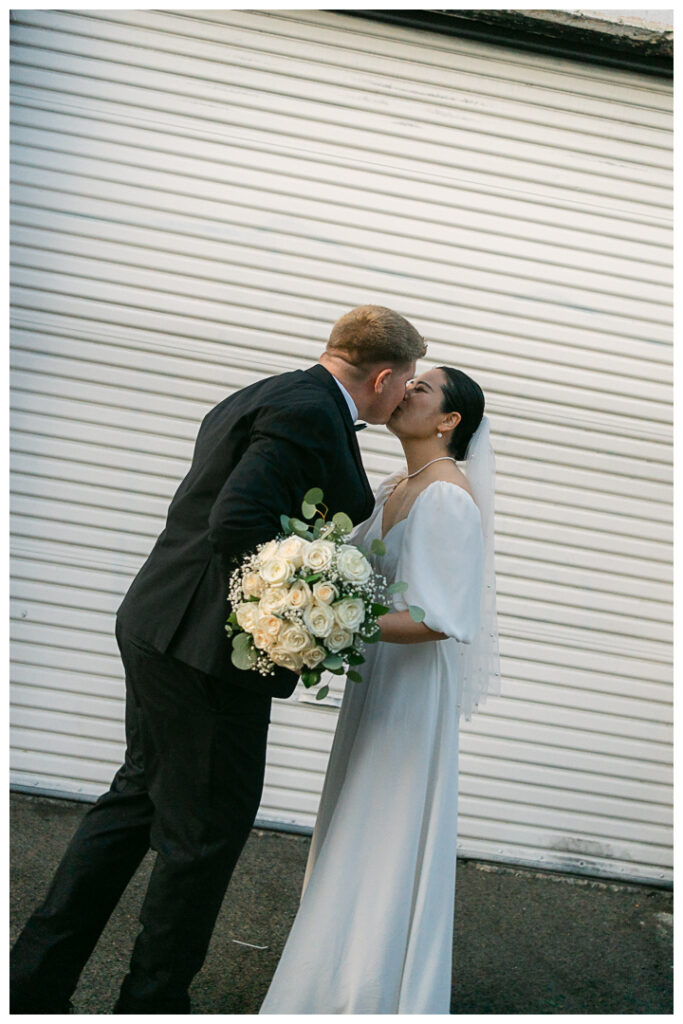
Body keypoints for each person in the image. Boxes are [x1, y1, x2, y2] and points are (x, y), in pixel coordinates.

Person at [9, 305, 427, 1014]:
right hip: (204, 658)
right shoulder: (308, 415)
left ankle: (33, 985)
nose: (407, 394)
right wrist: (306, 605)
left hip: (157, 623)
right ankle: (152, 1001)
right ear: (383, 376)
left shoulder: (265, 392)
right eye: (408, 381)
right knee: (202, 840)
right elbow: (234, 520)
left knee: (136, 800)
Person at [259, 366, 500, 1014]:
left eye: (421, 390)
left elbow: (437, 619)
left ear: (448, 421)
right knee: (355, 816)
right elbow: (354, 574)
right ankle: (335, 975)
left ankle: (364, 990)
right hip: (381, 679)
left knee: (385, 824)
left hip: (411, 690)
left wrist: (329, 623)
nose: (405, 392)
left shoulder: (447, 497)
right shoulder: (400, 483)